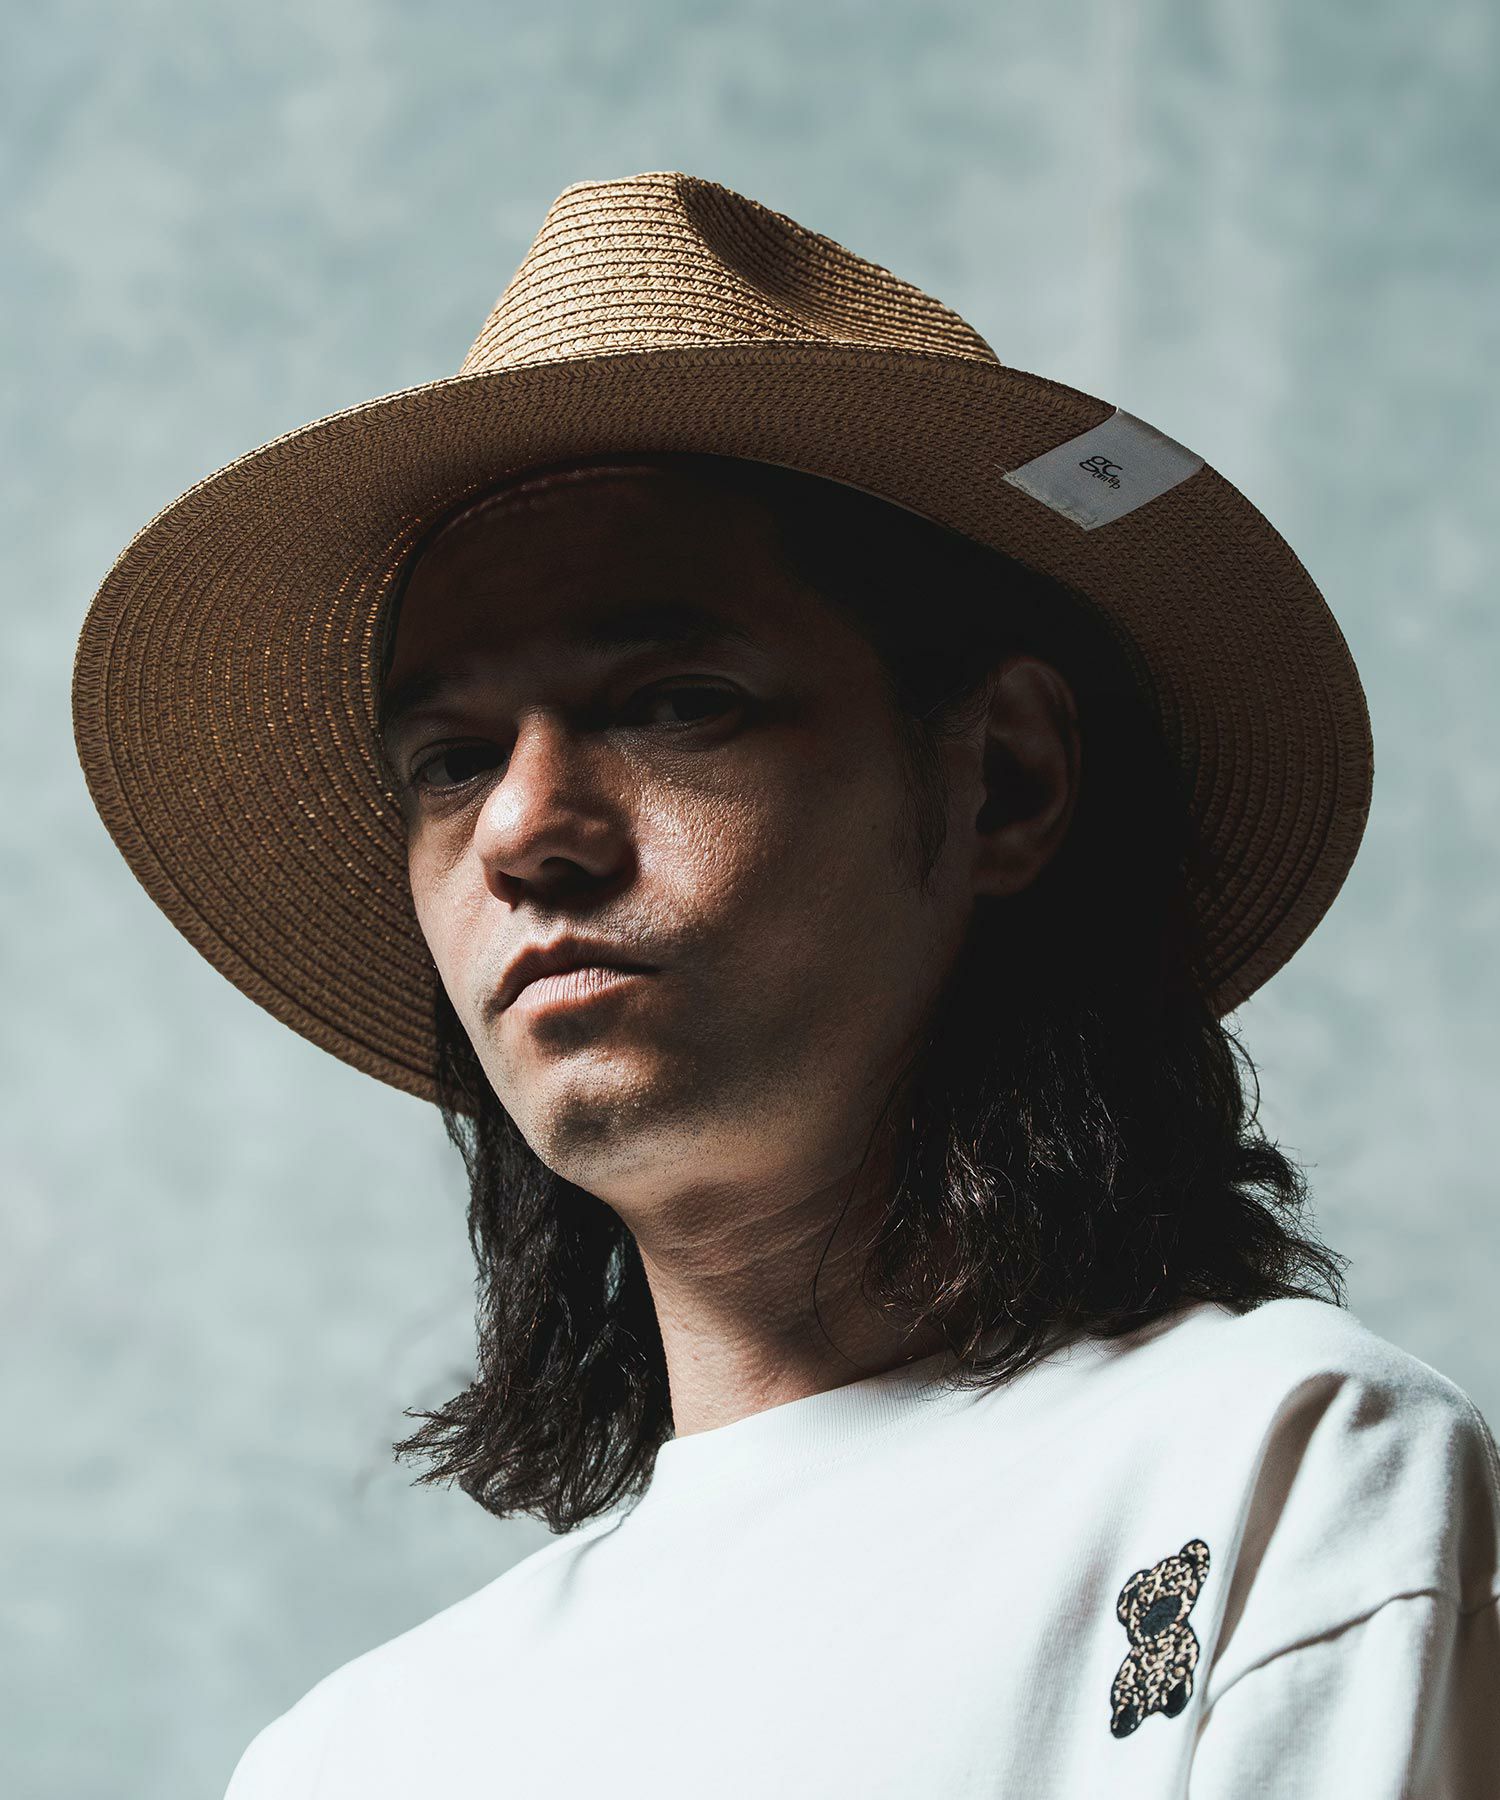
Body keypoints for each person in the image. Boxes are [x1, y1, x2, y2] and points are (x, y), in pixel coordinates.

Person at [73, 172, 1499, 1797]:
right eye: (452, 758)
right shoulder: (354, 1757)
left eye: (677, 702)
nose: (524, 829)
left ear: (1007, 779)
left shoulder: (1276, 1472)